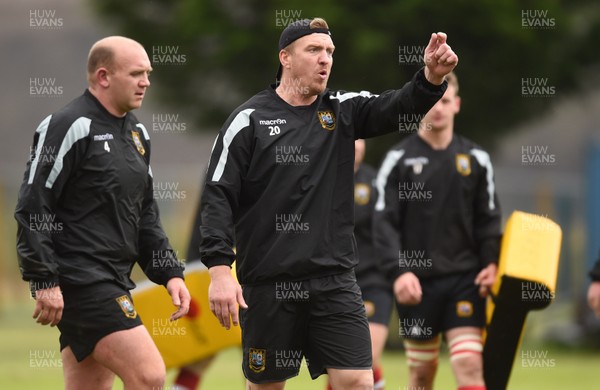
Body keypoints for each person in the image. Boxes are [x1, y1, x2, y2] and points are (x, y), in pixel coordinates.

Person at [198, 17, 457, 390]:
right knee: (265, 387)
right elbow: (218, 196)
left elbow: (396, 107)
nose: (326, 59)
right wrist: (220, 270)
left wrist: (431, 78)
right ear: (285, 57)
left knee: (357, 381)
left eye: (330, 52)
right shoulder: (248, 120)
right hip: (269, 285)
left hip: (334, 281)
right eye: (314, 50)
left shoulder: (341, 110)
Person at [14, 36, 190, 389]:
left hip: (114, 278)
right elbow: (34, 203)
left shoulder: (138, 134)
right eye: (136, 73)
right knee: (149, 374)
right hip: (80, 280)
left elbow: (145, 216)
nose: (146, 82)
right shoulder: (68, 125)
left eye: (148, 73)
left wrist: (170, 273)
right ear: (104, 76)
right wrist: (44, 278)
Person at [373, 72, 501, 390]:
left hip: (465, 280)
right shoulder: (398, 160)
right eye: (433, 101)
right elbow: (383, 224)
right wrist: (399, 272)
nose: (438, 108)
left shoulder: (476, 160)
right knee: (420, 375)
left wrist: (491, 263)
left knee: (469, 363)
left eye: (445, 101)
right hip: (416, 285)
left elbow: (489, 220)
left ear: (456, 104)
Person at [326, 139, 393, 390]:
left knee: (367, 357)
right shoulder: (320, 178)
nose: (354, 143)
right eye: (348, 136)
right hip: (332, 280)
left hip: (372, 280)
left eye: (358, 136)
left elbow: (392, 230)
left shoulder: (378, 182)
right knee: (339, 364)